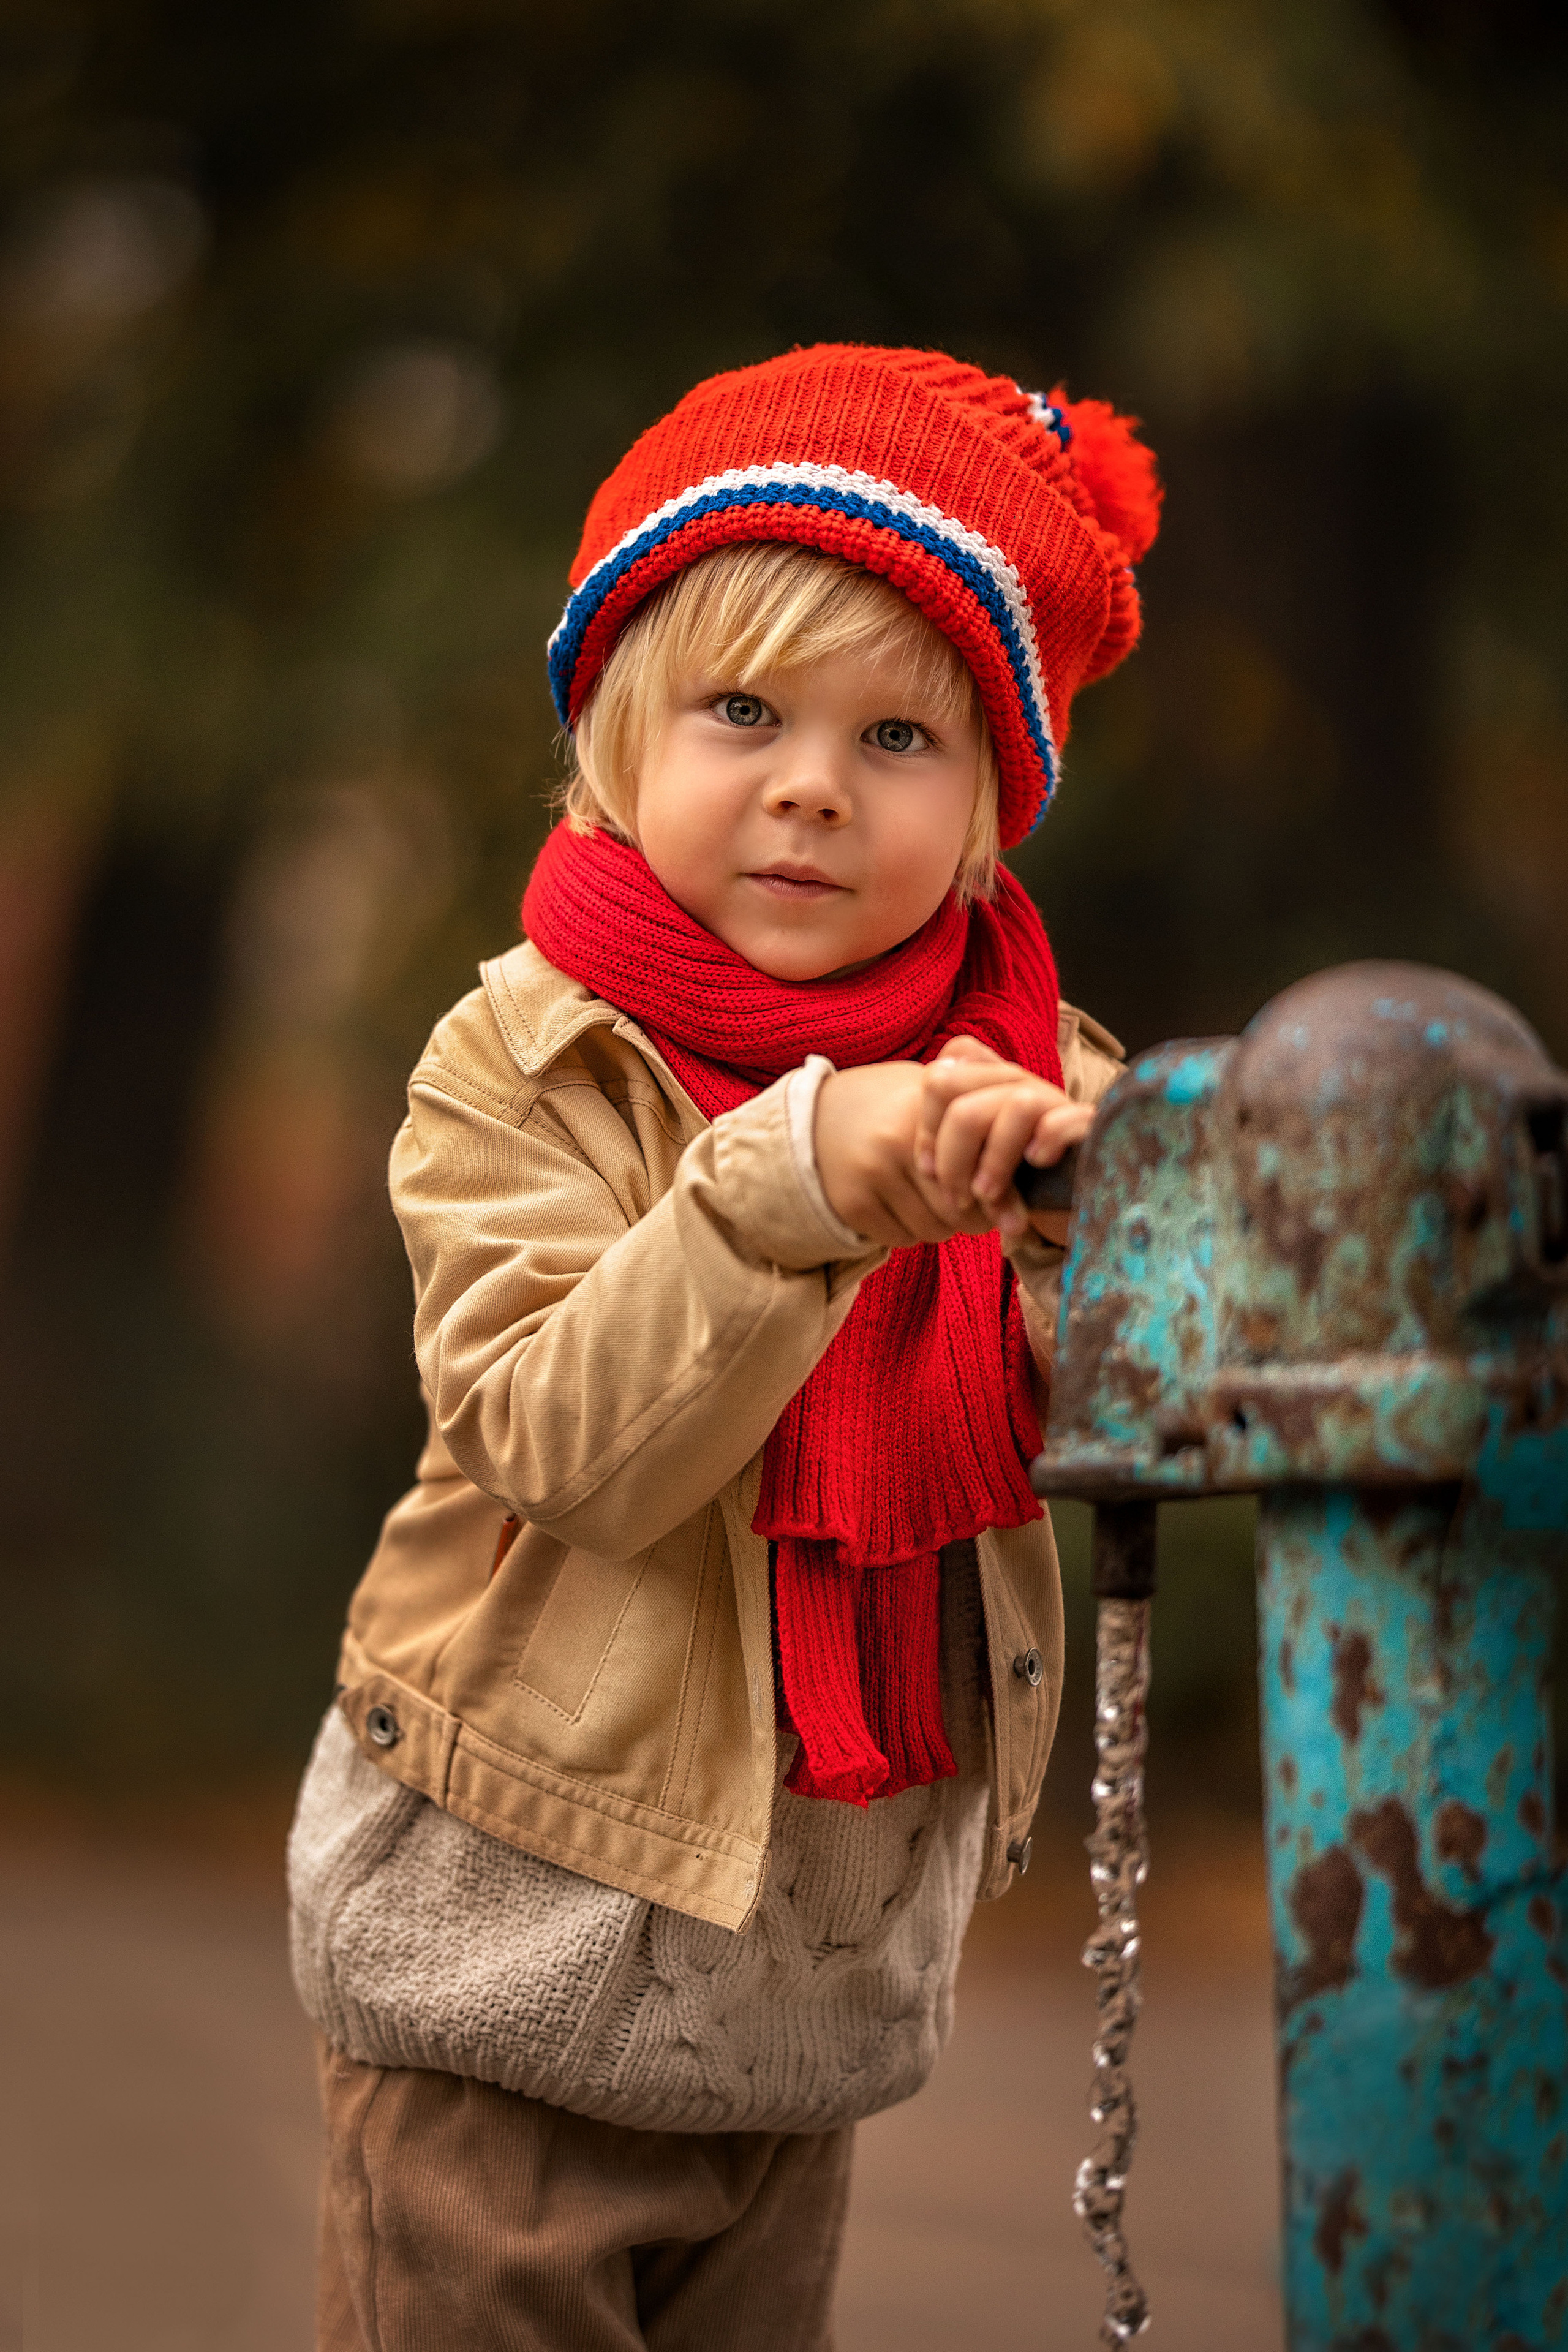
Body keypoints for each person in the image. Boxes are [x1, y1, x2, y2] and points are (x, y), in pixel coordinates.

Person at [288, 342, 1161, 2351]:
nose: (812, 785)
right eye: (744, 710)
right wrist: (796, 1181)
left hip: (803, 2005)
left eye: (900, 740)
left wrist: (1075, 1232)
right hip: (508, 1972)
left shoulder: (1021, 1084)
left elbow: (1128, 1423)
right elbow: (558, 1439)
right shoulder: (522, 1068)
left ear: (989, 812)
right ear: (612, 736)